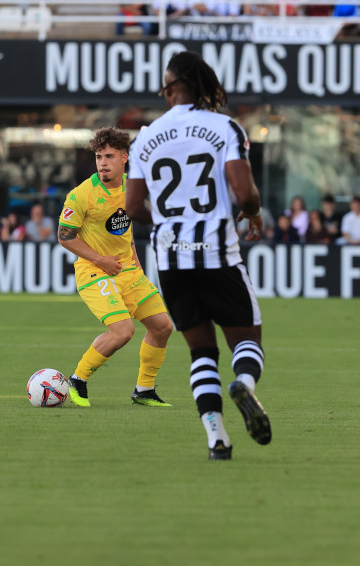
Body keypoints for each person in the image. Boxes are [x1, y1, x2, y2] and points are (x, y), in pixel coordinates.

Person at [126, 51, 272, 460]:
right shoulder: (225, 127)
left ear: (171, 88)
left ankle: (217, 440)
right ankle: (244, 383)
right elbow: (244, 194)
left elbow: (134, 207)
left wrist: (171, 222)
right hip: (216, 252)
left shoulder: (145, 138)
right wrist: (254, 212)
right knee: (247, 338)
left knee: (201, 352)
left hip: (170, 260)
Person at [58, 127, 173, 408]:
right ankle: (78, 379)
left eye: (109, 156)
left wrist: (135, 260)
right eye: (99, 157)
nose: (103, 163)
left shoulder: (132, 188)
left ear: (125, 158)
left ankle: (144, 390)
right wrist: (100, 260)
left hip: (128, 271)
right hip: (94, 272)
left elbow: (126, 228)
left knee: (162, 327)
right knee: (123, 331)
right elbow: (64, 236)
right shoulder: (82, 194)